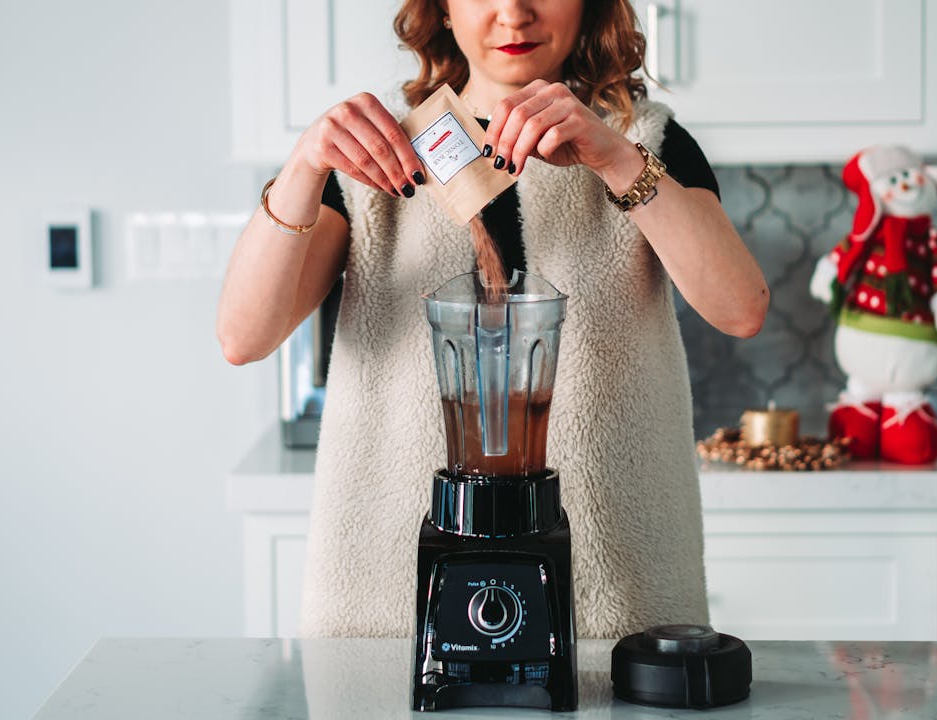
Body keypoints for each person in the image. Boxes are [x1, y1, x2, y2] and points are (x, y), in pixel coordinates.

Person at [217, 0, 768, 639]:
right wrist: (305, 164)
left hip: (616, 584)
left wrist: (612, 156)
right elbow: (243, 337)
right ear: (442, 10)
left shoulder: (643, 141)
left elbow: (740, 310)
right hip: (390, 589)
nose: (514, 13)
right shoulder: (377, 157)